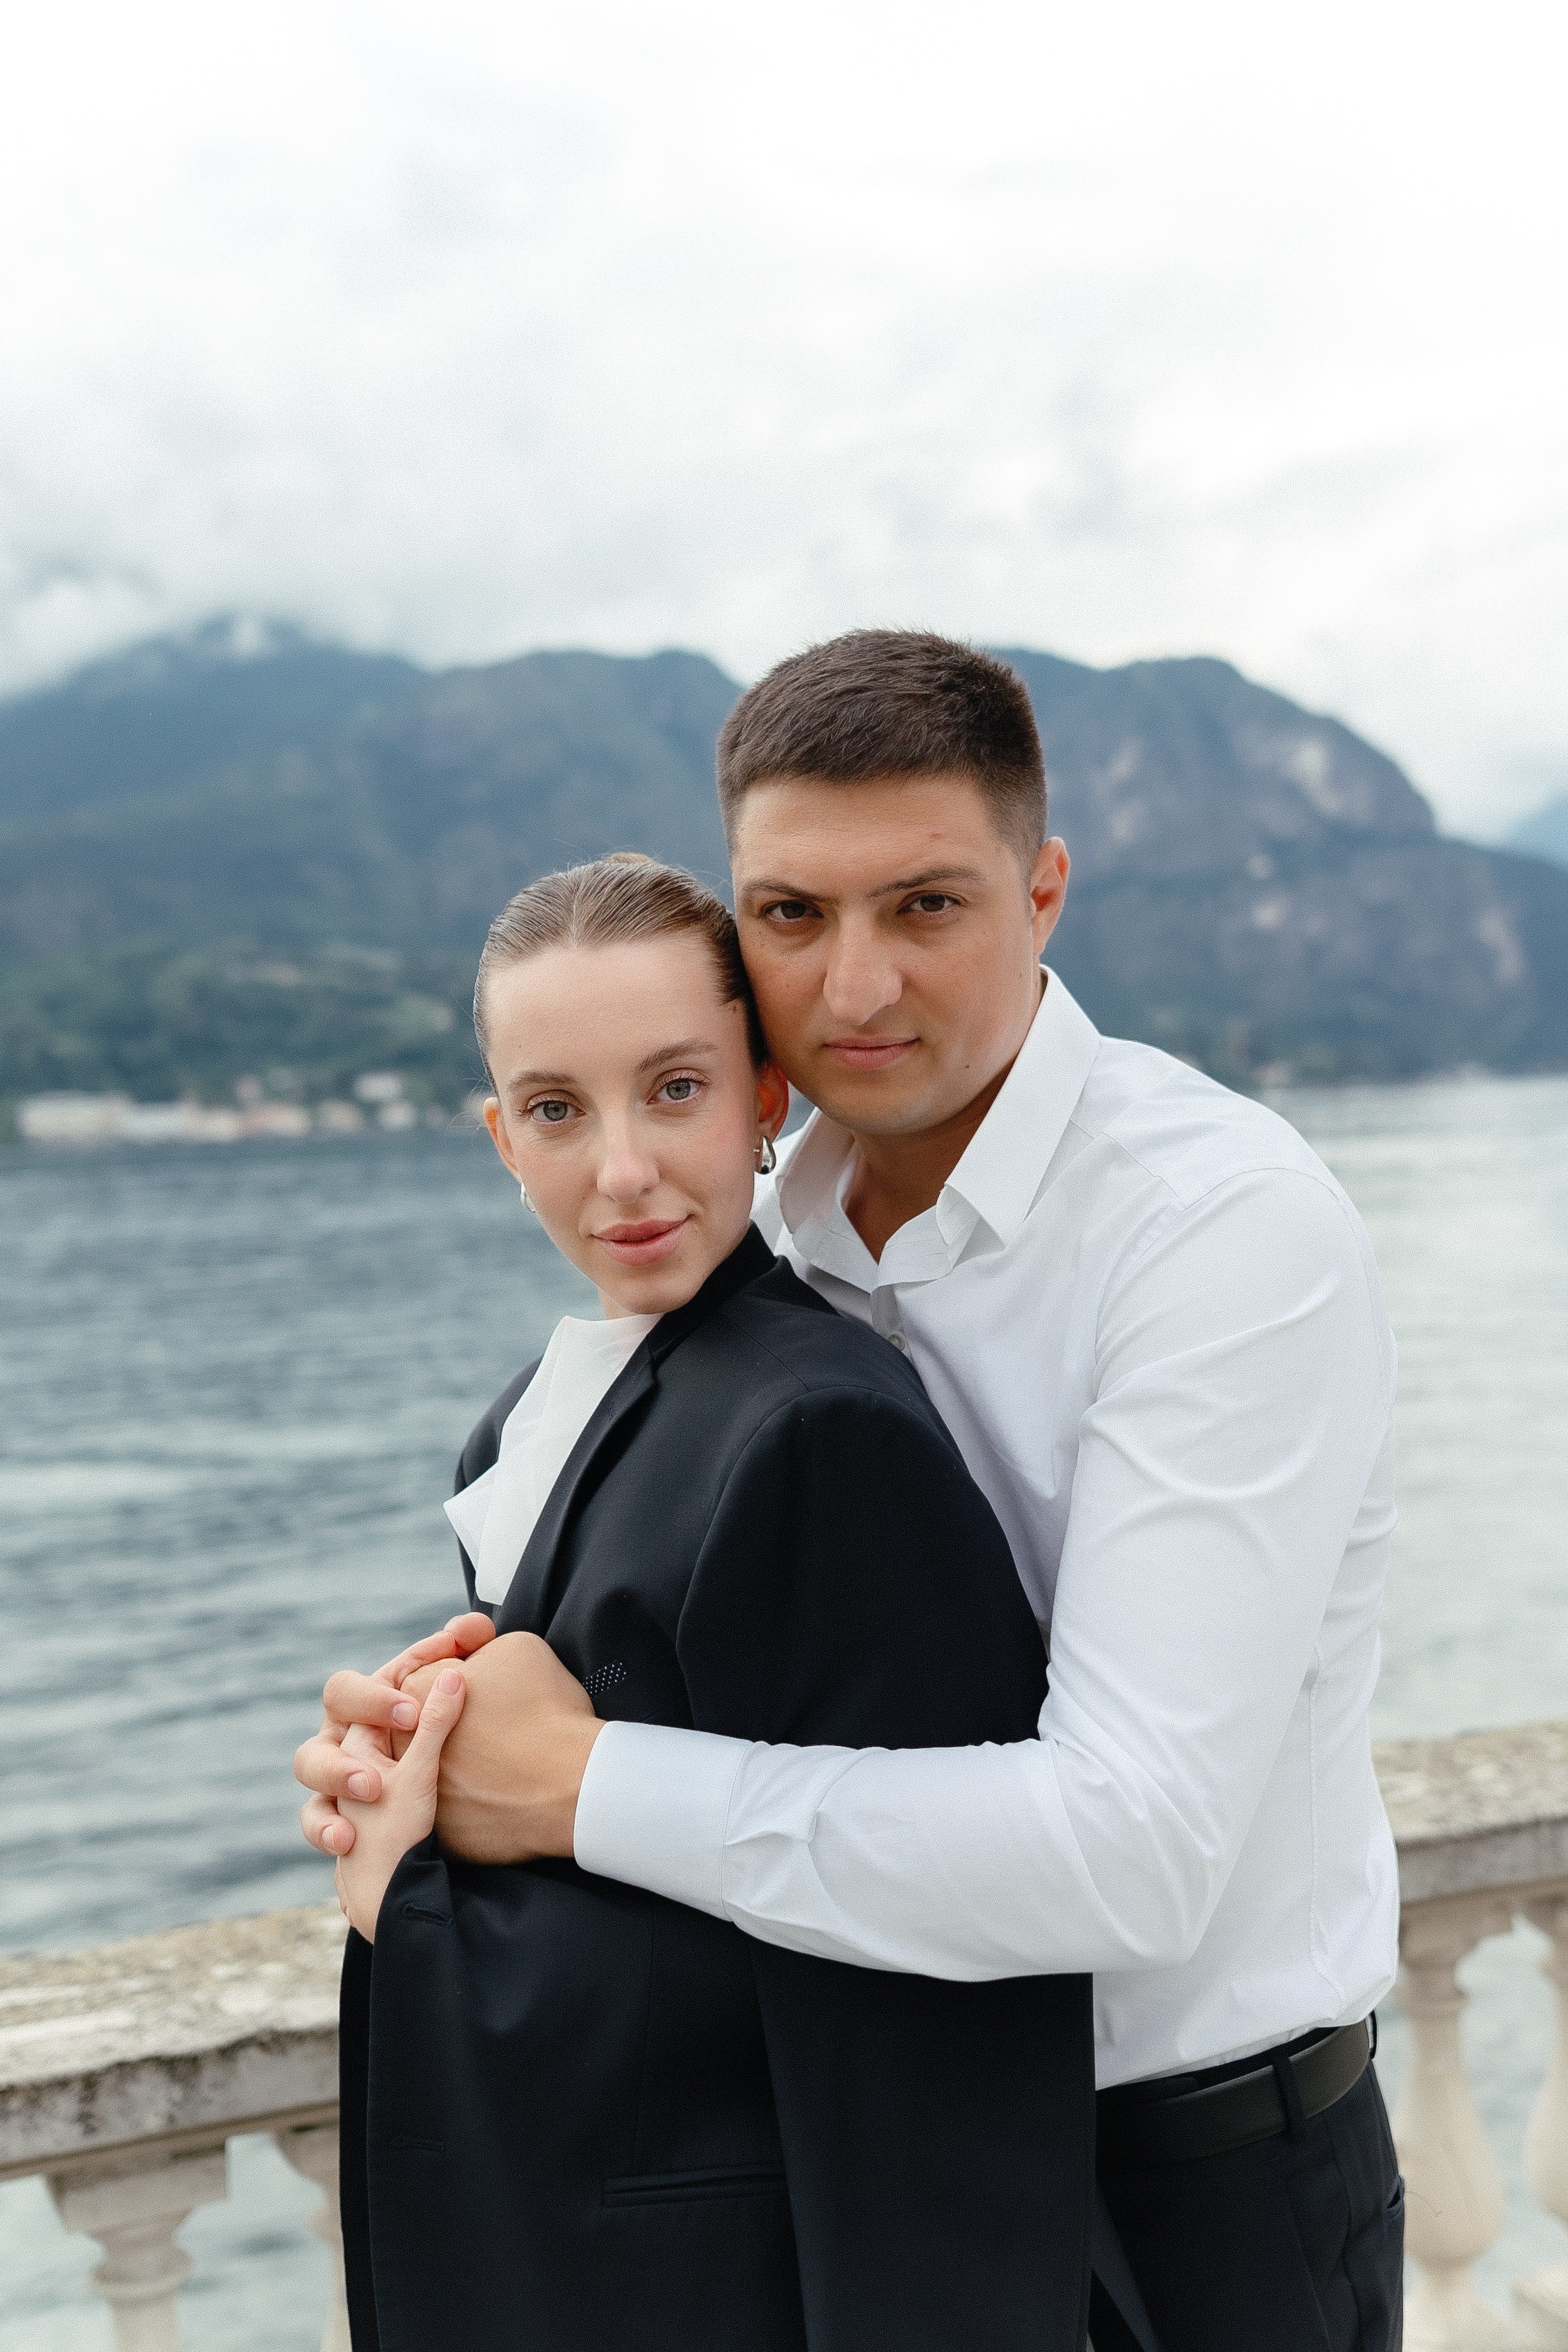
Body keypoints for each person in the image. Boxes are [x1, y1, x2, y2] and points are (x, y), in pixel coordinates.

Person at [301, 632, 1405, 2352]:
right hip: (853, 2155)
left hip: (1192, 2176)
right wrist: (445, 1746)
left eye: (927, 906)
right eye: (793, 918)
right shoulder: (755, 1216)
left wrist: (577, 1783)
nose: (856, 987)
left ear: (1042, 894)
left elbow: (1132, 1856)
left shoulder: (1217, 1230)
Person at [325, 850, 1099, 2352]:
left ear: (764, 1101)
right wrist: (400, 1773)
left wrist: (417, 1912)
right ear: (499, 1138)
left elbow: (926, 1986)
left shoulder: (819, 1430)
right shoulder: (522, 1423)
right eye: (556, 1110)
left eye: (672, 1090)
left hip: (753, 2291)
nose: (618, 1169)